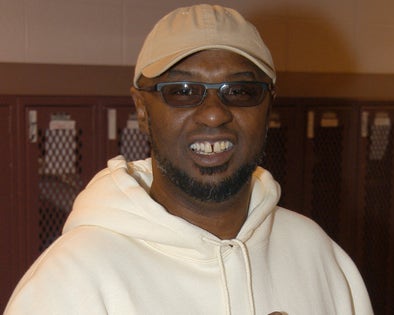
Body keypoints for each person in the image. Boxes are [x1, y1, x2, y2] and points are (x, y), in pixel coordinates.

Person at [5, 4, 373, 315]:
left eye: (240, 90)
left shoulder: (317, 256)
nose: (214, 114)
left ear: (268, 106)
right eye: (182, 91)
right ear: (143, 109)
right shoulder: (73, 282)